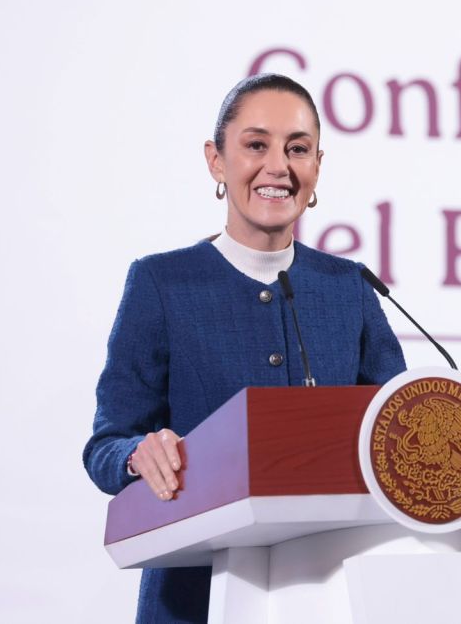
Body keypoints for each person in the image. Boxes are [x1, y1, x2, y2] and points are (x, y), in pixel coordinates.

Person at [82, 73, 406, 623]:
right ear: (216, 160)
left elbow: (399, 427)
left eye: (297, 149)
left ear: (317, 166)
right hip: (193, 597)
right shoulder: (162, 284)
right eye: (256, 145)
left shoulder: (349, 287)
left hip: (331, 595)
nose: (278, 166)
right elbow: (106, 446)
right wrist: (139, 454)